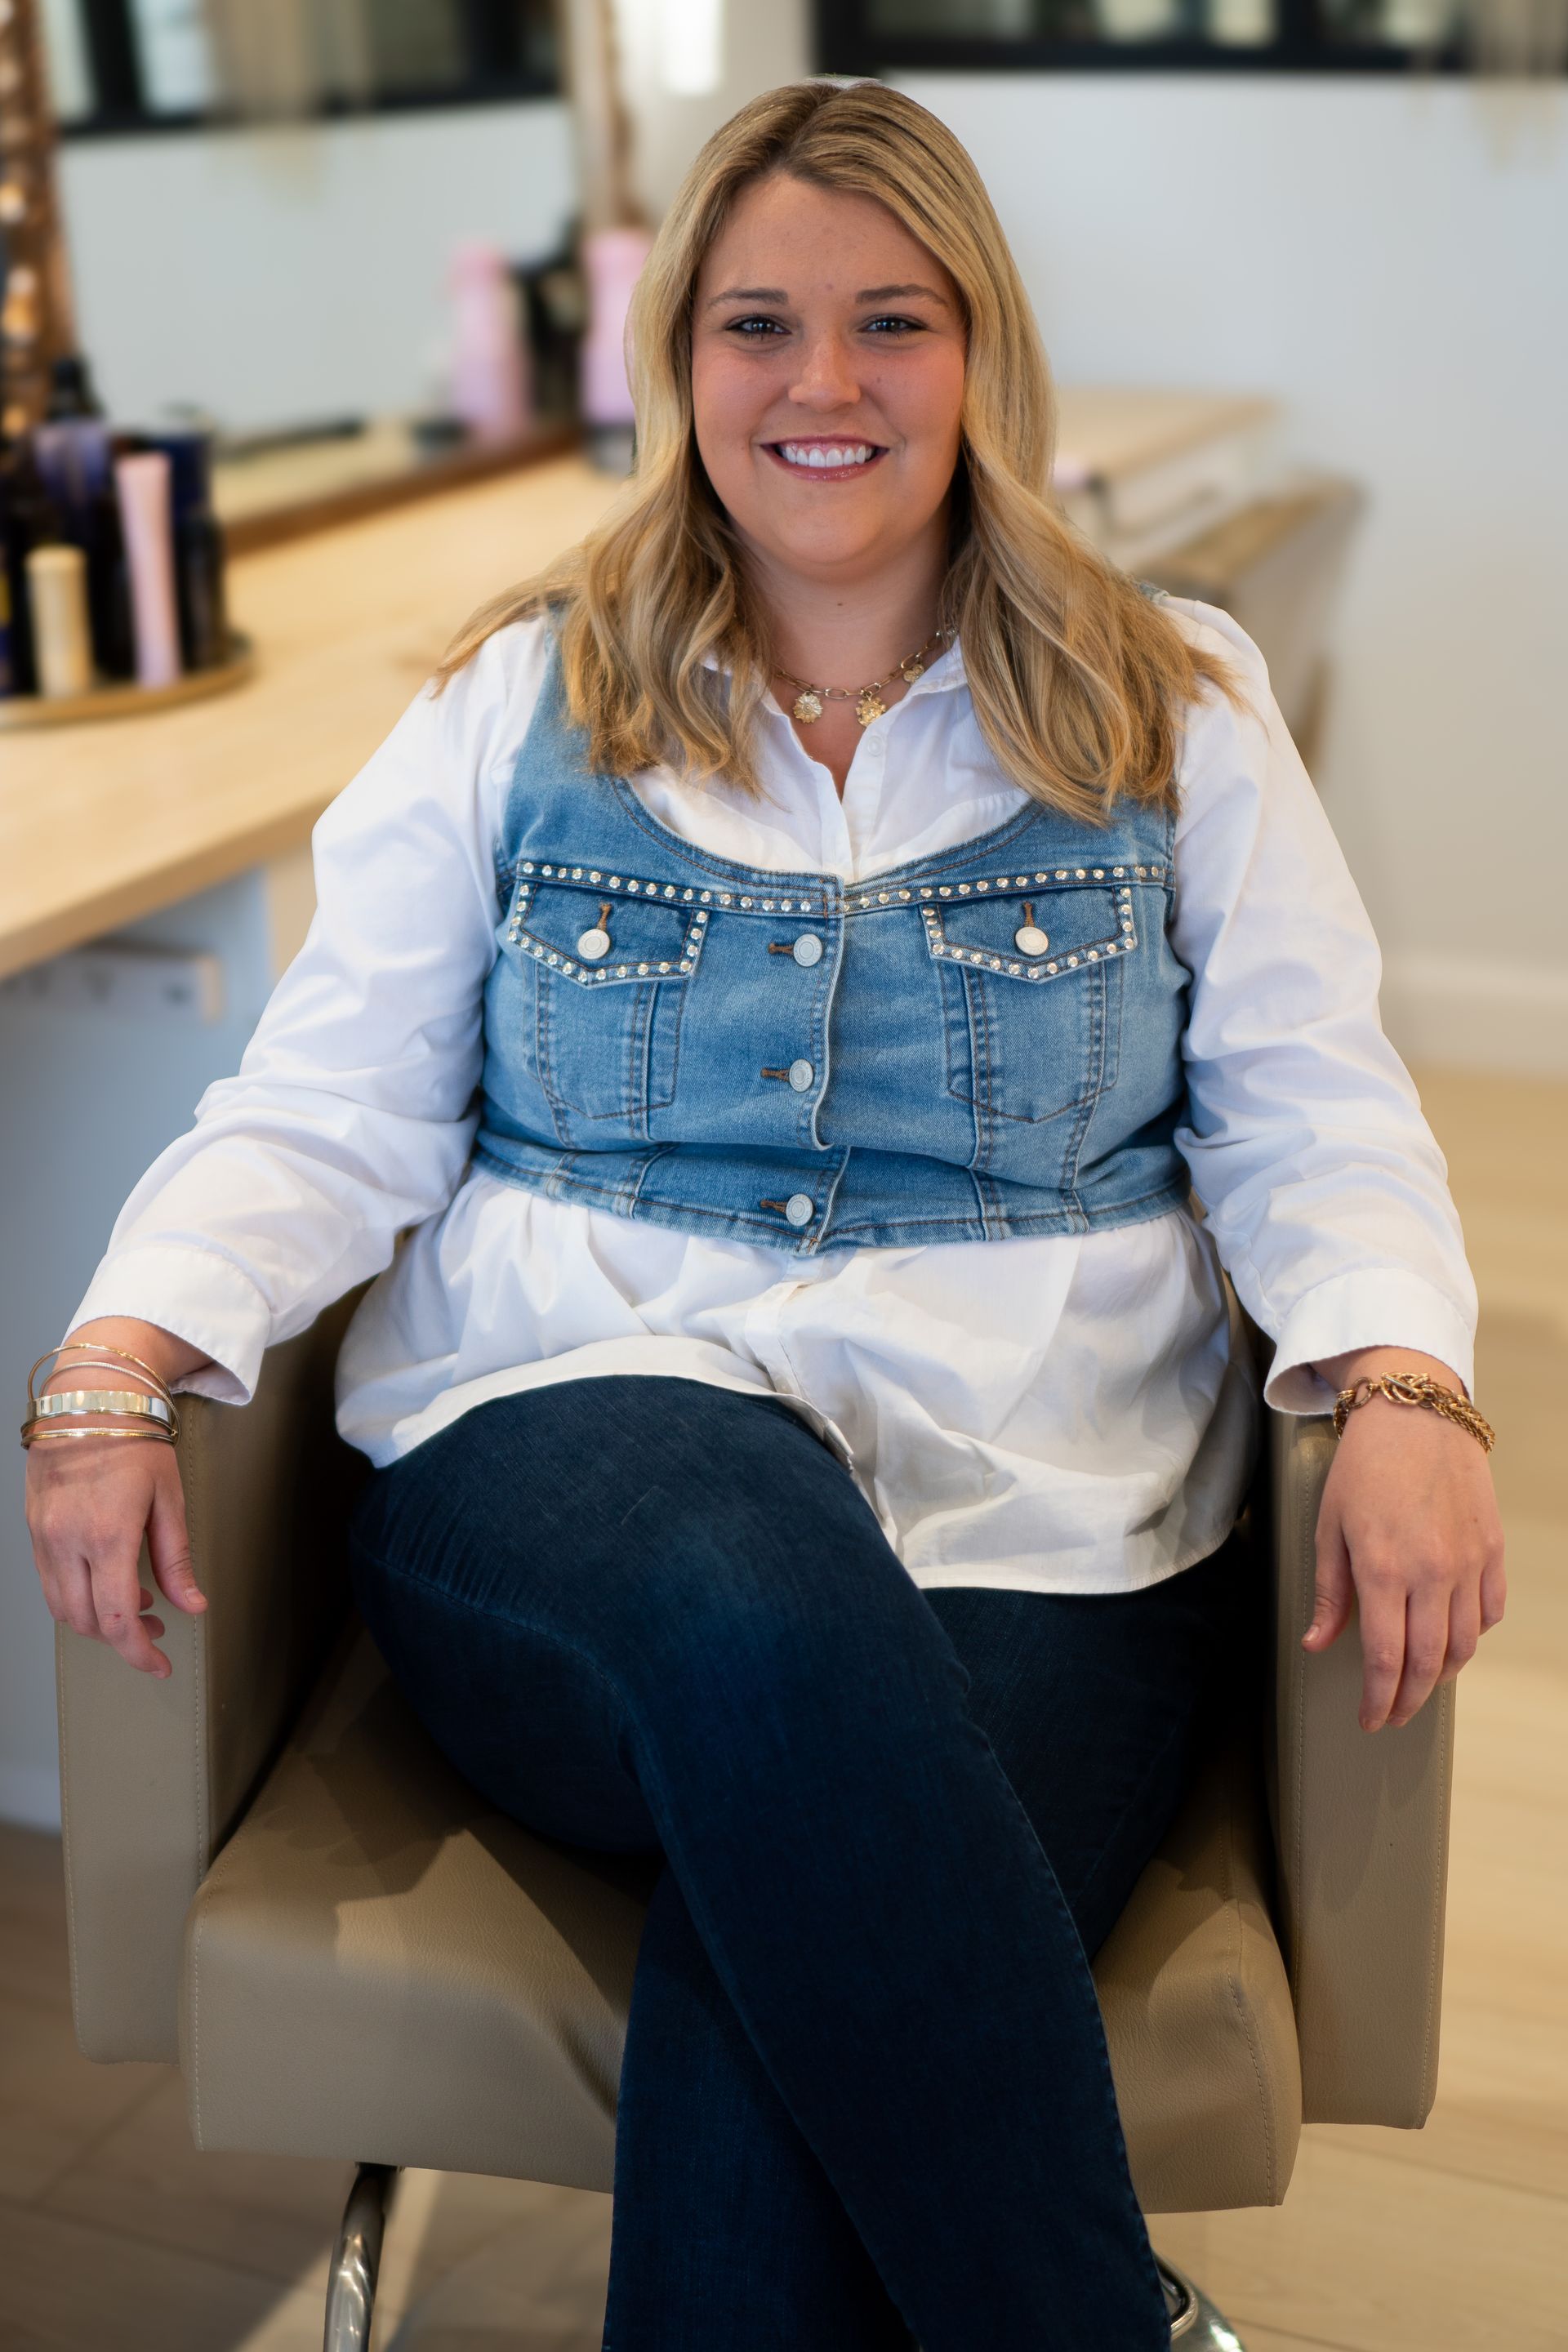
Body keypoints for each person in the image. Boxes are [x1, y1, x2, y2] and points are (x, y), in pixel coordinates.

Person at [24, 78, 1503, 2352]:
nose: (824, 386)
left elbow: (1318, 1116)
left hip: (1050, 1513)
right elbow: (322, 1110)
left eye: (890, 320)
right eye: (758, 325)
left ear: (978, 351)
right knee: (740, 1566)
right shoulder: (521, 699)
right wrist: (124, 1352)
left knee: (782, 1953)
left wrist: (1403, 1375)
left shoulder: (1172, 703)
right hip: (567, 1449)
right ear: (676, 363)